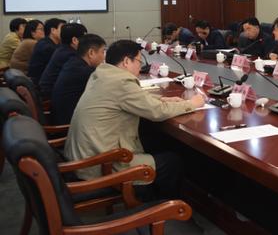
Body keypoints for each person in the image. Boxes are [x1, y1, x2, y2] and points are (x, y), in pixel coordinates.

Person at [64, 40, 205, 200]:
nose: (140, 66)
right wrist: (192, 104)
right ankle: (166, 208)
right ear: (126, 61)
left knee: (155, 141)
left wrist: (163, 99)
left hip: (85, 156)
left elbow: (130, 99)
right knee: (172, 162)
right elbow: (157, 112)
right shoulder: (122, 82)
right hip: (101, 164)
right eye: (139, 61)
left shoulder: (102, 74)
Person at [50, 34, 106, 125]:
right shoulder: (84, 71)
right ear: (91, 53)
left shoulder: (74, 63)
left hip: (62, 117)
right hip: (69, 124)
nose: (104, 57)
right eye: (102, 52)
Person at [39, 23, 87, 98]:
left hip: (48, 90)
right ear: (74, 40)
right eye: (85, 39)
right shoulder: (70, 55)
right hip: (50, 94)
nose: (87, 42)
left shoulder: (62, 49)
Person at [28, 18, 66, 83]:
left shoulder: (49, 42)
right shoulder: (47, 47)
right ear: (53, 30)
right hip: (41, 83)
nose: (65, 32)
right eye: (63, 29)